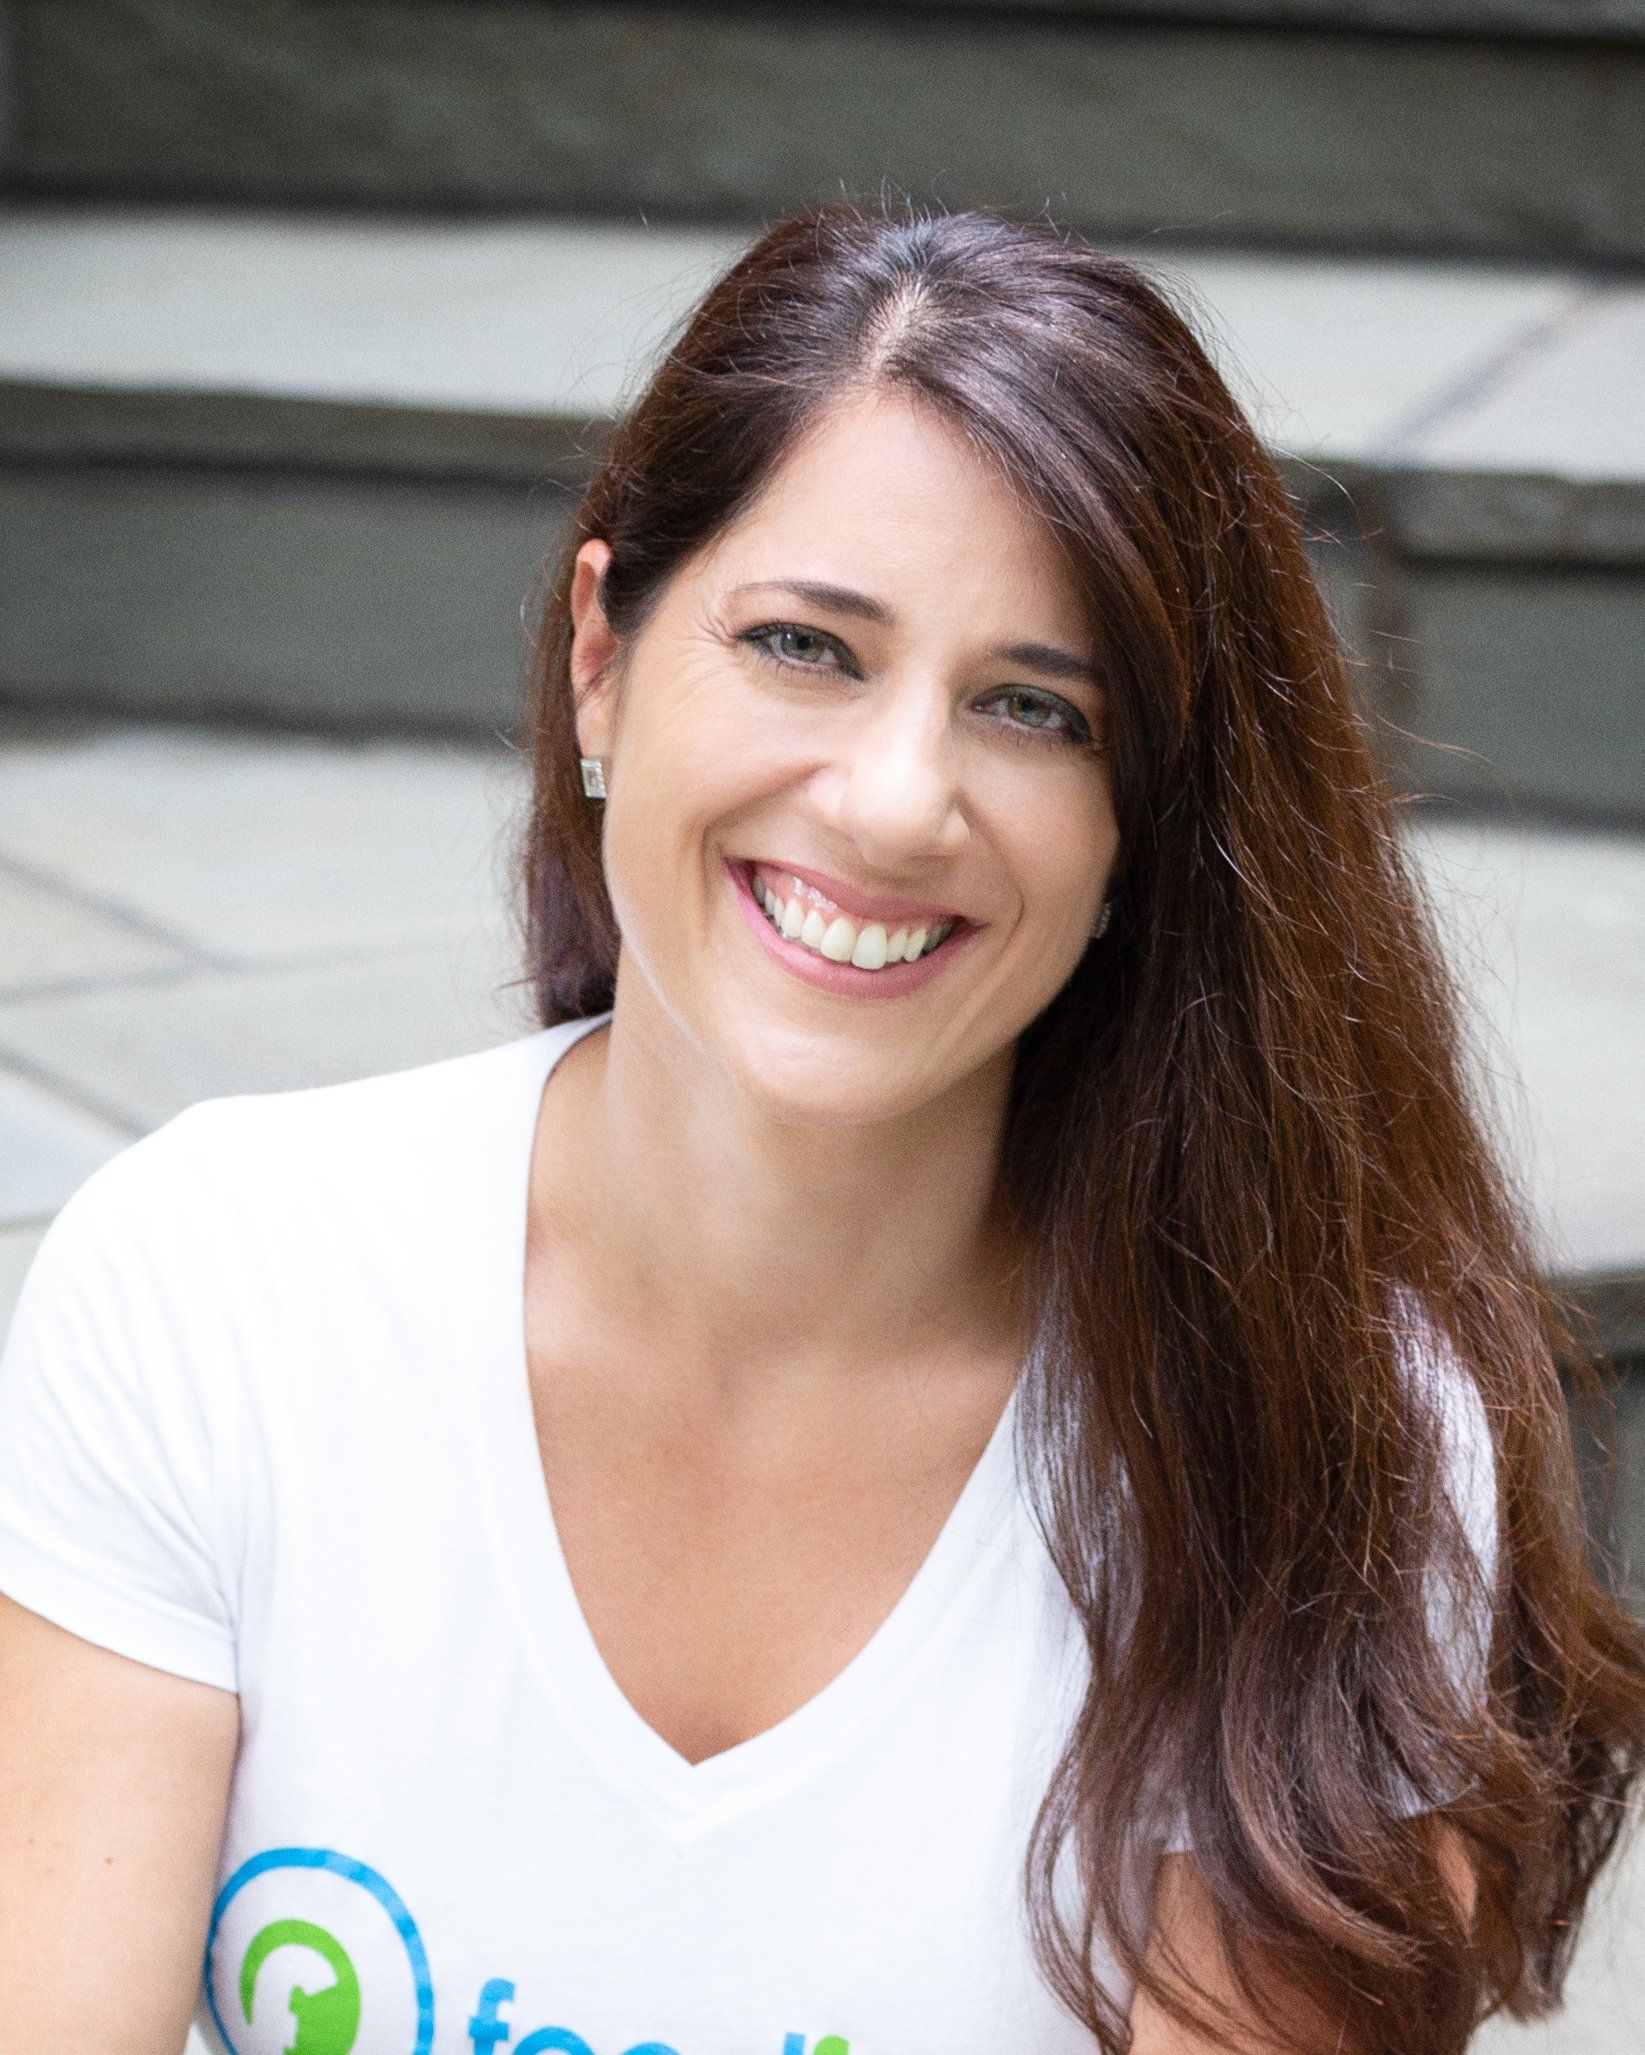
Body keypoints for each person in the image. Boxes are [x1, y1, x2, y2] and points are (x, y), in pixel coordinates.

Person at [1, 198, 1642, 2055]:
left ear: (1135, 837)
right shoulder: (213, 1290)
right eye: (803, 645)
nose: (891, 799)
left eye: (1033, 708)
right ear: (601, 657)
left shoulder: (1312, 1430)